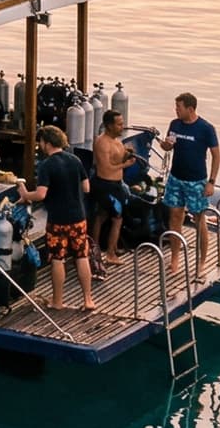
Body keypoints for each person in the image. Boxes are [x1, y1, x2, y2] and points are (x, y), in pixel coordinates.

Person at [17, 124, 94, 312]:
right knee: (81, 256)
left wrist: (26, 195)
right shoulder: (75, 160)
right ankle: (88, 300)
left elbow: (41, 194)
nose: (40, 145)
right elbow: (86, 188)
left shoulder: (47, 165)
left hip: (58, 221)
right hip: (78, 218)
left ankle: (57, 301)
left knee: (58, 259)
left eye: (41, 142)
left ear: (47, 143)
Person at [156, 91, 220, 261]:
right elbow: (167, 146)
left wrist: (211, 182)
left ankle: (201, 262)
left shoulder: (206, 129)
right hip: (176, 178)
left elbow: (216, 155)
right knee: (175, 216)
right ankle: (175, 258)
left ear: (190, 109)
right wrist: (166, 145)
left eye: (179, 107)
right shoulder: (175, 124)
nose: (175, 110)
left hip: (196, 180)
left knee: (200, 219)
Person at [92, 111, 136, 262]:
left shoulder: (117, 141)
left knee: (103, 216)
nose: (122, 127)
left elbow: (117, 160)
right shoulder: (102, 142)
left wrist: (127, 155)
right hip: (106, 185)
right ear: (109, 126)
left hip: (117, 184)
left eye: (122, 124)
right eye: (119, 124)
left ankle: (107, 247)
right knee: (116, 219)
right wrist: (125, 164)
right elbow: (105, 168)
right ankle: (109, 253)